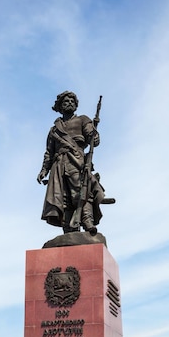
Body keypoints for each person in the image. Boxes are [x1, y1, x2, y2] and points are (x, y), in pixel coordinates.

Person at [37, 91, 106, 235]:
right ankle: (69, 228)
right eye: (65, 101)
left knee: (81, 191)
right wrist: (44, 170)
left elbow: (91, 137)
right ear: (60, 106)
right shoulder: (54, 130)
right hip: (58, 164)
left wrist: (94, 137)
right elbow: (49, 152)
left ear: (75, 106)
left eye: (72, 101)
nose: (69, 103)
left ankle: (87, 221)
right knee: (63, 197)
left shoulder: (82, 120)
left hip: (76, 160)